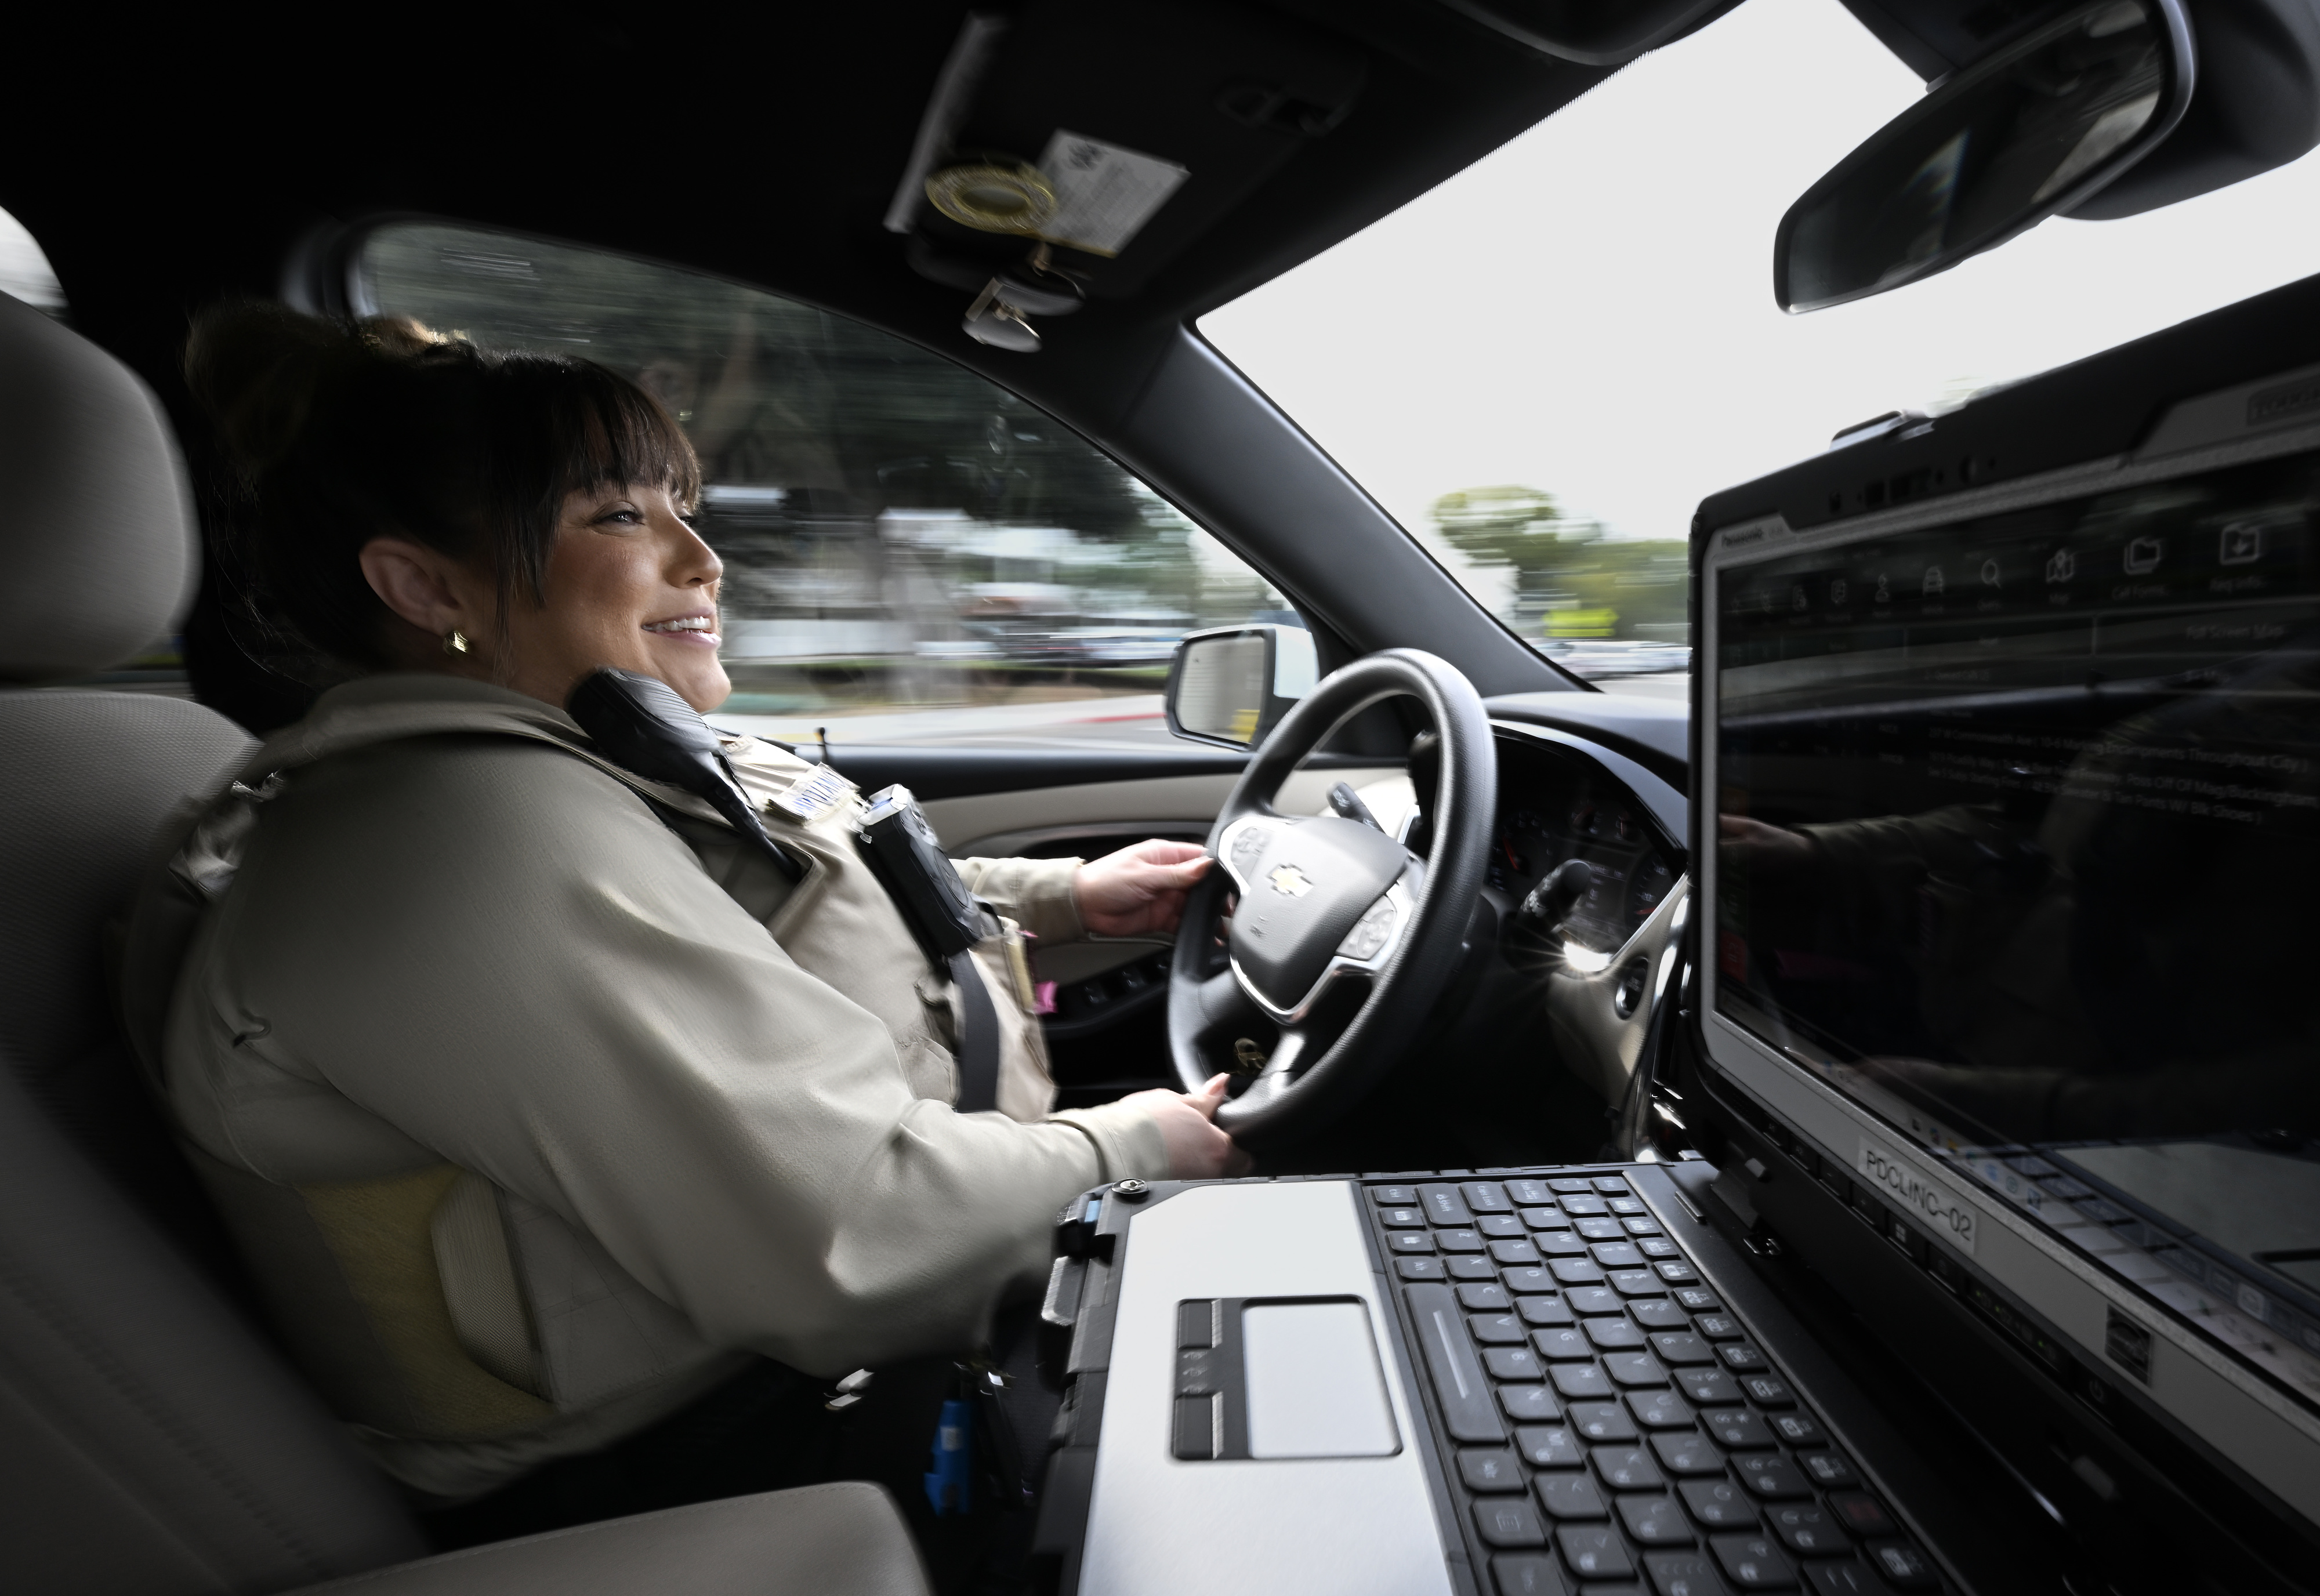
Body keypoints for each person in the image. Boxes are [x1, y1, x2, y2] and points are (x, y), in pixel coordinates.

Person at [135, 306, 1246, 1535]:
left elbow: (790, 879)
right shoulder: (455, 835)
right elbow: (855, 1244)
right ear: (422, 583)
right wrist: (1136, 1147)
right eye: (618, 514)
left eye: (680, 503)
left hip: (801, 1332)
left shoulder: (574, 749)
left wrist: (1061, 898)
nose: (701, 556)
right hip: (685, 1449)